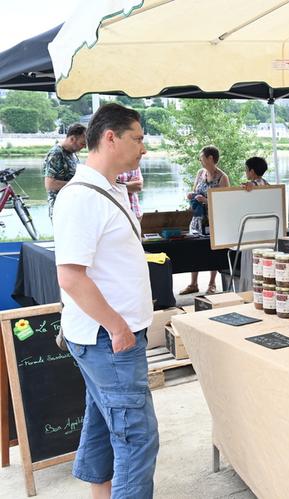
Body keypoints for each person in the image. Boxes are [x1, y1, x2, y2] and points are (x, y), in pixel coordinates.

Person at [53, 103, 158, 499]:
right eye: (137, 138)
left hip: (108, 337)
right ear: (110, 137)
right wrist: (116, 326)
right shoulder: (82, 197)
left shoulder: (110, 188)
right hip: (109, 339)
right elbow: (70, 276)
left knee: (103, 424)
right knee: (136, 438)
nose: (143, 148)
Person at [180, 145, 230, 295]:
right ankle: (193, 284)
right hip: (197, 218)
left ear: (210, 158)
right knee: (194, 250)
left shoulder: (222, 178)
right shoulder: (200, 173)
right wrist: (191, 195)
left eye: (201, 157)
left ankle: (212, 283)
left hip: (212, 221)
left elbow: (225, 202)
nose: (200, 160)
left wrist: (206, 200)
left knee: (211, 252)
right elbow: (195, 190)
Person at [44, 123, 87, 218]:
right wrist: (79, 184)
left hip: (72, 207)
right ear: (72, 139)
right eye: (82, 143)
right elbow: (50, 185)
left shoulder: (72, 153)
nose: (84, 147)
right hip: (60, 209)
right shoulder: (56, 154)